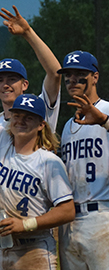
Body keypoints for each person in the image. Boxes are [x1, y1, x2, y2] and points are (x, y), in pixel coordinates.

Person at [0, 59, 75, 270]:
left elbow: (67, 211)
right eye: (17, 116)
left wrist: (26, 224)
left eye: (29, 117)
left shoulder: (49, 161)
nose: (21, 121)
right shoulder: (1, 141)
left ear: (41, 124)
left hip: (34, 248)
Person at [56, 50, 109, 270]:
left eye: (80, 73)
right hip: (69, 221)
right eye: (68, 74)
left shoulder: (107, 110)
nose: (72, 79)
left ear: (95, 77)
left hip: (102, 216)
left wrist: (104, 121)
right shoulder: (68, 127)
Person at [0, 6, 61, 133]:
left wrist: (27, 32)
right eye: (0, 80)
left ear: (25, 84)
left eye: (12, 79)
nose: (5, 85)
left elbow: (55, 73)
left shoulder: (38, 108)